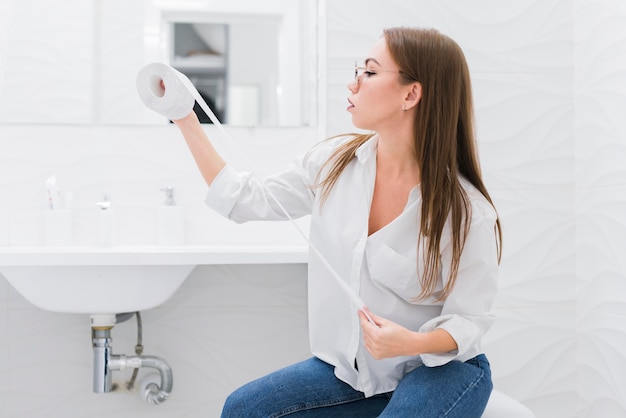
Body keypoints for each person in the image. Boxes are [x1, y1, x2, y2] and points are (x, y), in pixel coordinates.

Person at [170, 27, 502, 418]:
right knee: (243, 410)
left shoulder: (467, 212)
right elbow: (245, 200)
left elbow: (469, 321)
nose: (353, 83)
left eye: (370, 72)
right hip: (354, 375)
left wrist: (409, 342)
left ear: (411, 94)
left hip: (440, 369)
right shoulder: (332, 165)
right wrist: (184, 116)